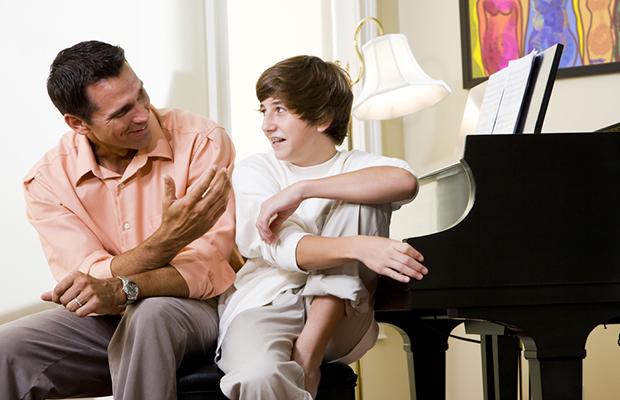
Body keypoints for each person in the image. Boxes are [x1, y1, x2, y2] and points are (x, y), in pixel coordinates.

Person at [0, 40, 238, 400]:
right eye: (122, 112)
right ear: (77, 123)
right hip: (106, 321)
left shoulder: (201, 141)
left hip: (196, 308)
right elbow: (89, 282)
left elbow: (208, 266)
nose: (144, 113)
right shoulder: (48, 181)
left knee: (150, 316)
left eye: (141, 94)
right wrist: (168, 241)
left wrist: (123, 286)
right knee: (6, 349)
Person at [216, 55, 428, 399]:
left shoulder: (357, 165)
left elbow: (404, 181)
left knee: (362, 198)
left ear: (323, 118)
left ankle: (309, 355)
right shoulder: (255, 170)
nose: (267, 125)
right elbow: (281, 246)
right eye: (264, 111)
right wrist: (360, 246)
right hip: (267, 304)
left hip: (341, 317)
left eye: (280, 110)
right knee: (258, 377)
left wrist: (304, 189)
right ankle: (303, 363)